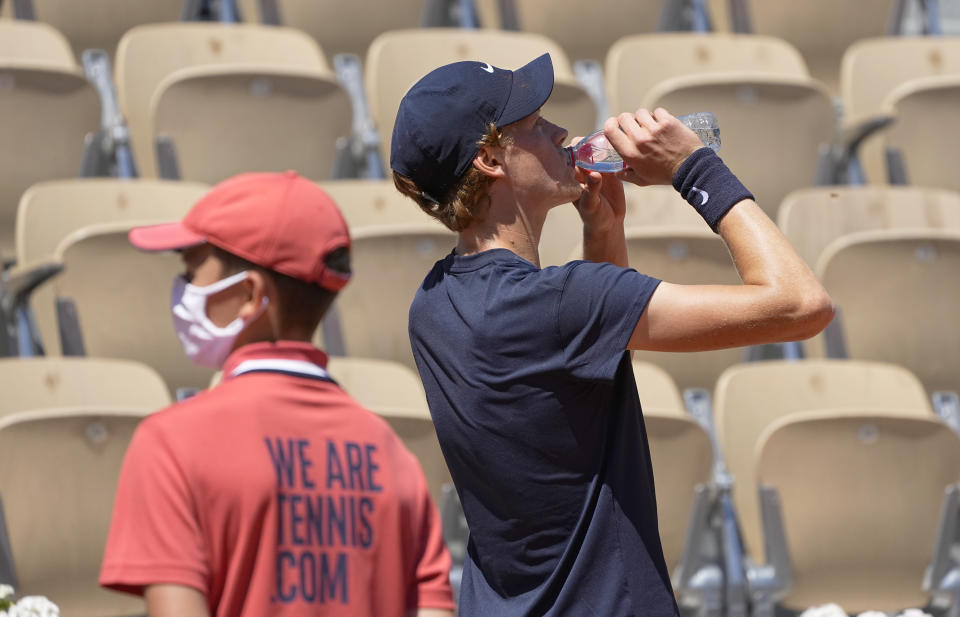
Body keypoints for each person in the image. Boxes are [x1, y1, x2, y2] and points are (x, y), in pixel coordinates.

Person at [390, 54, 834, 616]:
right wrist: (694, 169)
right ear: (490, 158)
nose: (559, 132)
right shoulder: (558, 302)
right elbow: (802, 304)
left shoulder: (432, 303)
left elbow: (578, 381)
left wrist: (605, 230)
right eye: (533, 125)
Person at [99, 171, 455, 617]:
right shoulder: (394, 456)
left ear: (249, 294)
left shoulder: (170, 445)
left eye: (193, 272)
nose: (182, 291)